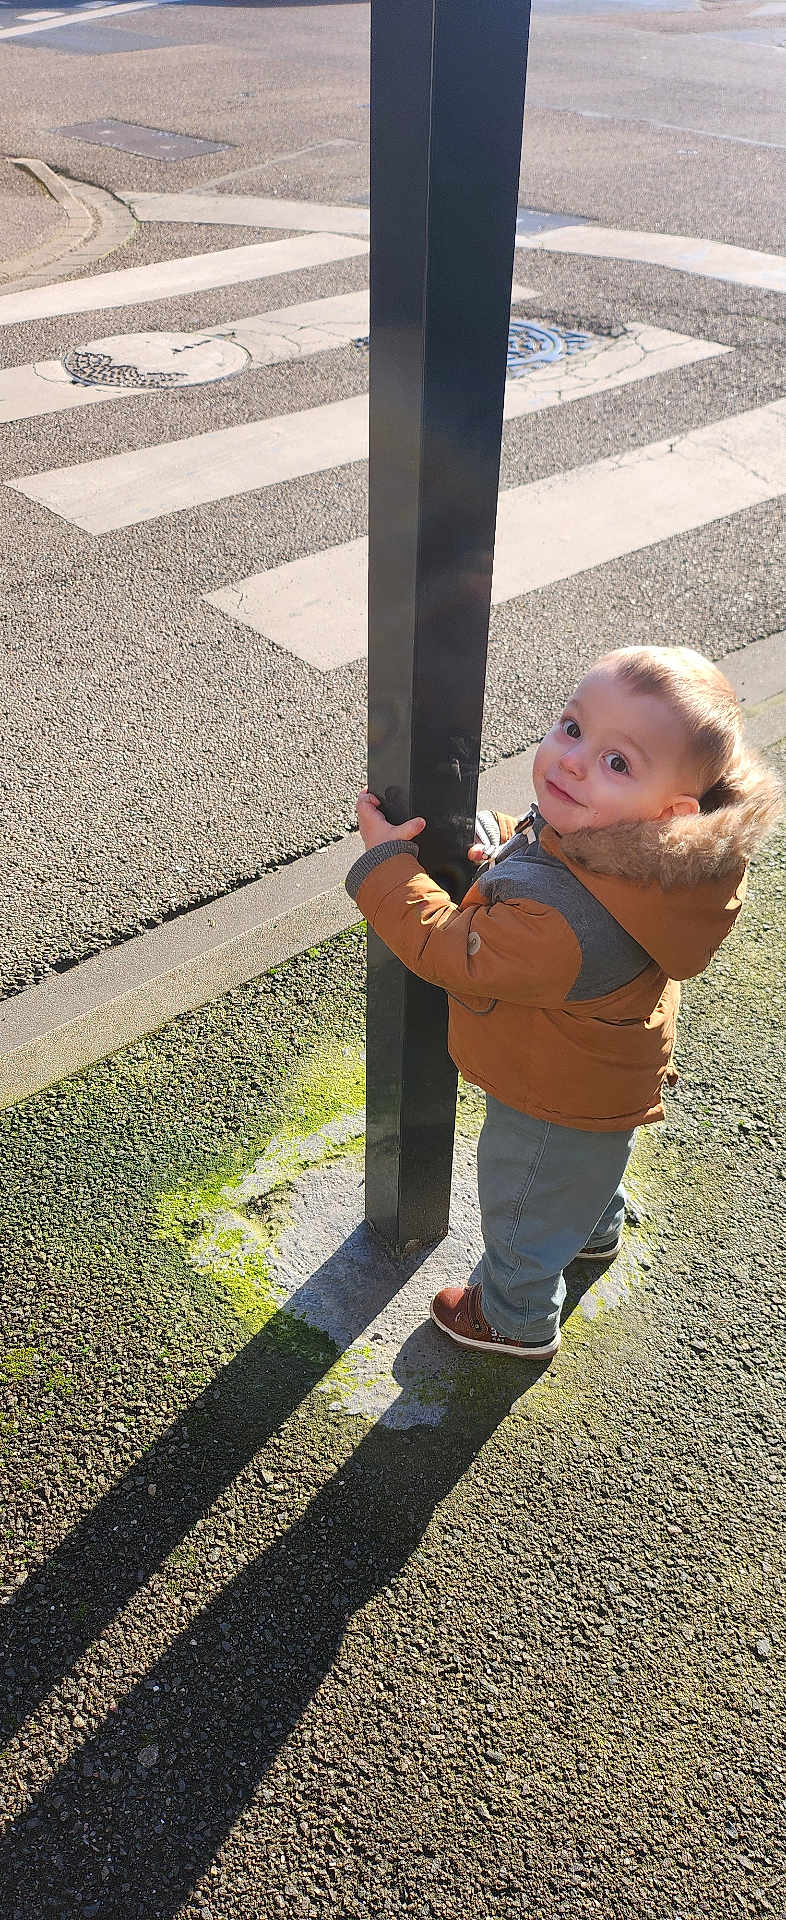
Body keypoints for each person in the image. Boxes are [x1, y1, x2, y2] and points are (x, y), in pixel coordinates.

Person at [345, 646, 781, 1360]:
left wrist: (388, 865)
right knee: (581, 1171)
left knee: (523, 1196)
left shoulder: (569, 921)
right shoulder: (642, 851)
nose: (575, 761)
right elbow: (542, 847)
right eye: (574, 727)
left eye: (618, 762)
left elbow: (451, 949)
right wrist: (495, 843)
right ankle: (592, 1231)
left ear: (670, 810)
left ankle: (512, 1316)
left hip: (555, 1090)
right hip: (604, 1071)